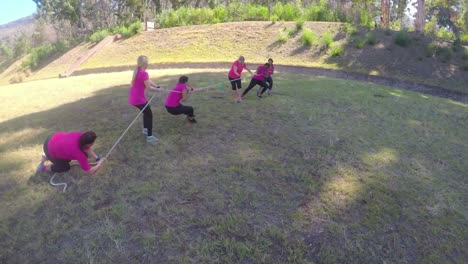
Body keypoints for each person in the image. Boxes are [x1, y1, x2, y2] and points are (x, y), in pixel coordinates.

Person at [35, 131, 105, 175]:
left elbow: (87, 148)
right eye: (92, 143)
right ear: (88, 144)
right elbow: (89, 171)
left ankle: (47, 155)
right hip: (49, 148)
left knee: (67, 155)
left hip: (53, 138)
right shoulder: (79, 154)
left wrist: (97, 158)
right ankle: (43, 167)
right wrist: (99, 164)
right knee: (65, 167)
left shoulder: (81, 135)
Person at [129, 55, 161, 143]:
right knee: (149, 114)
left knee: (146, 113)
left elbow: (148, 81)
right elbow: (149, 88)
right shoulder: (144, 73)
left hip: (133, 98)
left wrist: (156, 86)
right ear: (145, 64)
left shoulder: (138, 70)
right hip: (139, 99)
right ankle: (149, 137)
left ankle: (145, 130)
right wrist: (158, 90)